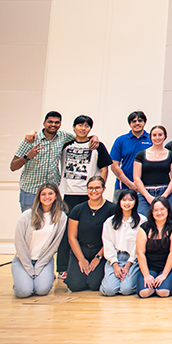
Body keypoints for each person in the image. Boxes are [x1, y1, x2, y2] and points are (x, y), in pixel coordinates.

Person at [56, 115, 112, 275]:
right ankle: (62, 268)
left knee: (93, 229)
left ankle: (98, 263)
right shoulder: (65, 144)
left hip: (89, 195)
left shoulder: (96, 145)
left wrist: (99, 187)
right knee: (67, 231)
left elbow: (104, 168)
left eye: (87, 126)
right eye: (80, 125)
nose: (83, 128)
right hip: (69, 194)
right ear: (74, 127)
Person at [11, 111, 86, 211]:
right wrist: (27, 156)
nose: (53, 125)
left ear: (60, 124)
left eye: (57, 122)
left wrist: (94, 137)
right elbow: (13, 166)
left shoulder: (63, 137)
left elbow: (81, 139)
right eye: (50, 122)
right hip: (30, 190)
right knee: (30, 222)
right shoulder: (31, 139)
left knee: (51, 222)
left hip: (52, 190)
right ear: (44, 123)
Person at [12, 182, 67, 297]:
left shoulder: (61, 217)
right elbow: (19, 243)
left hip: (44, 261)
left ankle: (36, 280)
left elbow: (54, 246)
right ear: (39, 197)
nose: (47, 197)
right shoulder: (27, 216)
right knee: (24, 292)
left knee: (41, 290)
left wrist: (38, 267)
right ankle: (20, 283)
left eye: (50, 194)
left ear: (56, 196)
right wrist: (29, 268)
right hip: (23, 261)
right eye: (43, 194)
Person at [65, 175, 116, 292]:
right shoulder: (78, 209)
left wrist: (98, 257)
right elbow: (72, 237)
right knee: (75, 286)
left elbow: (112, 238)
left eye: (97, 188)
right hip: (80, 250)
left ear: (104, 188)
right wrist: (81, 259)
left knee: (94, 285)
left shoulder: (112, 209)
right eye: (90, 188)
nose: (94, 191)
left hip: (101, 252)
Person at [137, 196, 172, 297]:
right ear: (151, 212)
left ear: (167, 210)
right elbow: (140, 253)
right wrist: (147, 275)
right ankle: (156, 284)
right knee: (144, 293)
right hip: (150, 267)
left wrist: (164, 275)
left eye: (162, 209)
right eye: (156, 210)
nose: (159, 213)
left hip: (170, 267)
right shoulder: (144, 227)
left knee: (163, 292)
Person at [101, 190, 143, 296]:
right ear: (119, 202)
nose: (127, 203)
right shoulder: (109, 222)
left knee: (126, 290)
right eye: (124, 200)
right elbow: (107, 242)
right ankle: (109, 284)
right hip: (115, 258)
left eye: (130, 200)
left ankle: (123, 283)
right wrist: (115, 264)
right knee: (109, 291)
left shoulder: (142, 220)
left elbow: (139, 245)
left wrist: (128, 264)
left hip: (133, 259)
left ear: (135, 202)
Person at [133, 125, 172, 217]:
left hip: (166, 192)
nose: (157, 137)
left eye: (160, 135)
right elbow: (136, 178)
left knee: (165, 221)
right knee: (144, 221)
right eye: (154, 135)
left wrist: (164, 196)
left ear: (165, 136)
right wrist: (147, 196)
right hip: (144, 194)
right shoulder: (140, 155)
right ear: (150, 137)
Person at [109, 111, 153, 192]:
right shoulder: (120, 140)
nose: (137, 123)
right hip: (124, 186)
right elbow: (114, 166)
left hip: (147, 186)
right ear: (130, 124)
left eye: (140, 121)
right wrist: (130, 184)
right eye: (134, 121)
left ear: (145, 122)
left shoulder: (152, 139)